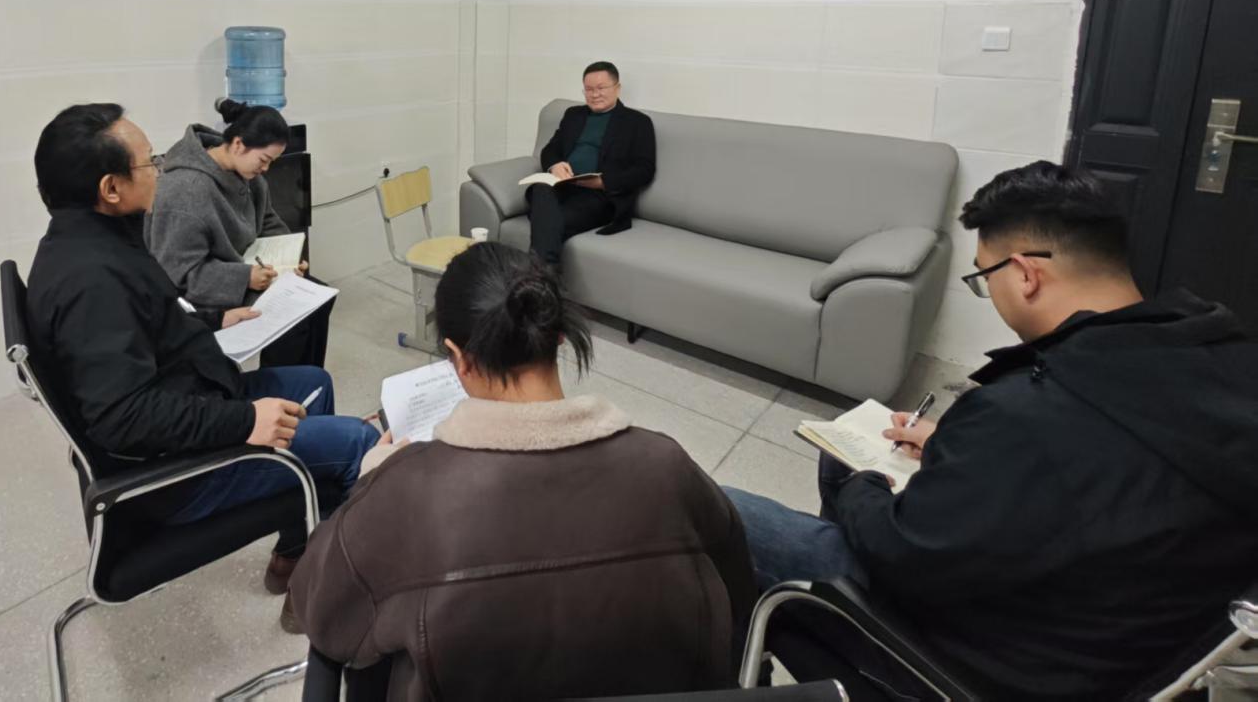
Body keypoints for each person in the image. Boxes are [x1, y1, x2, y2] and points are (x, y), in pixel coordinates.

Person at [724, 161, 1258, 700]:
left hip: (973, 662)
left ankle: (821, 630)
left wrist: (865, 487)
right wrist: (953, 445)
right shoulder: (1225, 361)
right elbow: (1107, 466)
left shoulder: (1026, 412)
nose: (990, 293)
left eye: (985, 277)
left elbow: (905, 549)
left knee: (726, 506)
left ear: (1025, 274)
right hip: (1121, 638)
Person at [290, 243, 755, 700]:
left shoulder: (405, 492)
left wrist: (372, 479)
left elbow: (320, 609)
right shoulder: (666, 465)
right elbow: (738, 601)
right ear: (558, 336)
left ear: (458, 357)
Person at [27, 104, 381, 633]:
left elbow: (153, 316)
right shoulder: (92, 283)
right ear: (111, 188)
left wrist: (216, 317)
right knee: (357, 442)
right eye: (149, 162)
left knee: (313, 383)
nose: (160, 170)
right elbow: (122, 417)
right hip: (177, 471)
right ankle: (328, 600)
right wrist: (246, 422)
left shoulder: (95, 241)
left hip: (193, 396)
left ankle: (296, 553)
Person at [145, 98, 333, 368]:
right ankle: (280, 388)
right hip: (203, 293)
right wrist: (245, 278)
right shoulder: (185, 191)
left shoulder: (248, 176)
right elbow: (178, 274)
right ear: (238, 144)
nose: (265, 169)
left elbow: (268, 221)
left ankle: (308, 382)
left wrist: (290, 260)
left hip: (245, 271)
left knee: (319, 297)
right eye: (264, 160)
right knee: (293, 316)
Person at [528, 61, 656, 267]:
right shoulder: (573, 115)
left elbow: (645, 169)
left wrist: (603, 182)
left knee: (548, 220)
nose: (594, 94)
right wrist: (555, 165)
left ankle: (538, 274)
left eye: (601, 88)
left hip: (600, 197)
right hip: (563, 187)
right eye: (588, 89)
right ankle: (541, 278)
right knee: (540, 188)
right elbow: (550, 149)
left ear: (617, 88)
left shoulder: (638, 122)